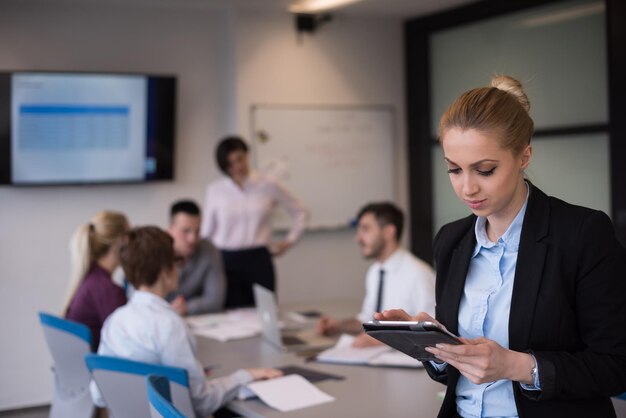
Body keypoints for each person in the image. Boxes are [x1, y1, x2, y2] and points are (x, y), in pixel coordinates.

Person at [375, 75, 626, 417]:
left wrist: (517, 366)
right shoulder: (451, 240)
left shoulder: (582, 233)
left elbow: (615, 365)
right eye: (454, 170)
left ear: (524, 156)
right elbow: (459, 377)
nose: (467, 188)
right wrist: (433, 346)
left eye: (485, 170)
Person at [92, 226, 282, 418]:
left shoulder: (115, 321)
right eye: (176, 262)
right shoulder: (169, 325)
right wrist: (245, 376)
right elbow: (201, 402)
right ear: (165, 272)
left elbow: (99, 394)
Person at [200, 136, 308, 308]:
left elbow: (300, 210)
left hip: (258, 258)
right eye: (231, 163)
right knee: (230, 313)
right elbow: (207, 231)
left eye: (240, 159)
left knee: (265, 312)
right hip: (226, 260)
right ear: (224, 165)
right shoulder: (215, 190)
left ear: (246, 155)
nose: (238, 166)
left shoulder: (267, 184)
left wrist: (290, 241)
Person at [316, 202, 435, 347]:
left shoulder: (419, 274)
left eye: (365, 229)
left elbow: (432, 331)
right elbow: (367, 320)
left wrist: (382, 340)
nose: (358, 238)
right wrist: (338, 326)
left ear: (388, 232)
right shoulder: (375, 271)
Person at [64, 210, 130, 351]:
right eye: (130, 236)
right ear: (119, 242)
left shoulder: (92, 279)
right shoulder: (108, 291)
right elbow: (129, 342)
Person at [167, 199, 226, 316]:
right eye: (185, 231)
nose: (192, 239)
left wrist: (187, 307)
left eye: (197, 231)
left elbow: (215, 300)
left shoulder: (208, 250)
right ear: (170, 229)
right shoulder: (154, 251)